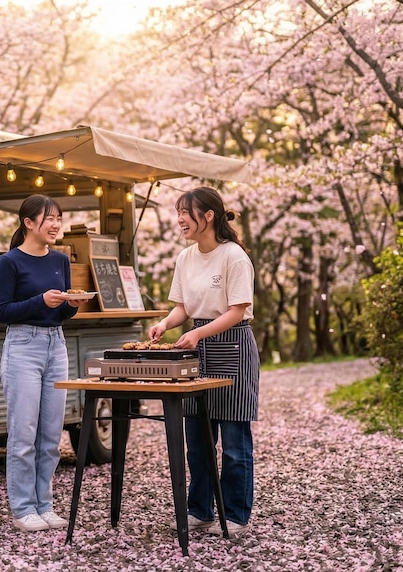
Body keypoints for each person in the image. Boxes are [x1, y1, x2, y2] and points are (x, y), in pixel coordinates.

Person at [147, 186, 260, 538]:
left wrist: (198, 334)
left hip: (233, 346)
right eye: (178, 212)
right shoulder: (186, 257)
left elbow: (237, 311)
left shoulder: (234, 257)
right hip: (197, 349)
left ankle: (237, 515)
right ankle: (200, 510)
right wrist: (165, 324)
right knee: (197, 438)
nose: (180, 219)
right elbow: (183, 308)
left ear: (208, 216)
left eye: (186, 212)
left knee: (235, 442)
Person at [0, 194, 83, 532]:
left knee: (50, 434)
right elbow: (3, 312)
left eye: (58, 217)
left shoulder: (60, 260)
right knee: (23, 433)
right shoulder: (10, 262)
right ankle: (22, 508)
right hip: (23, 346)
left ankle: (44, 504)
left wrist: (71, 305)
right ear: (28, 223)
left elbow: (59, 312)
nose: (56, 224)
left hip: (55, 344)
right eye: (49, 218)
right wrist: (39, 300)